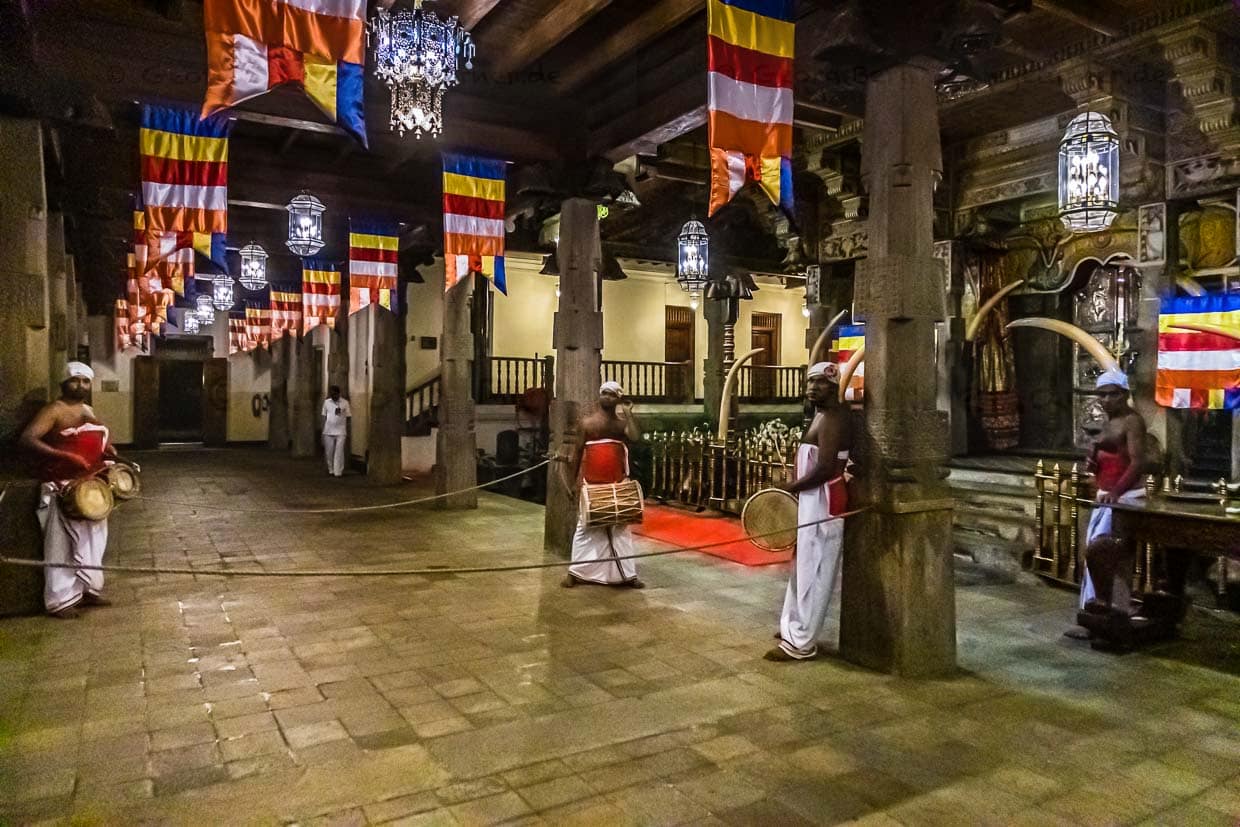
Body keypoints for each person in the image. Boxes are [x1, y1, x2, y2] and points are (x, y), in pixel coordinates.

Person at [766, 361, 853, 662]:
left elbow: (827, 467)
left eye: (819, 383)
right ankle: (792, 626)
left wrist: (791, 488)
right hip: (812, 499)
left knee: (815, 568)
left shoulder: (834, 418)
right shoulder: (822, 415)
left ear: (833, 385)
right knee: (802, 563)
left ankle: (802, 641)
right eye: (809, 382)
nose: (812, 388)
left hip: (824, 500)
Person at [19, 362, 115, 618]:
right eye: (75, 380)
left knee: (93, 541)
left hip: (89, 485)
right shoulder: (53, 410)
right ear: (64, 383)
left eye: (85, 381)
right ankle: (61, 600)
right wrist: (65, 456)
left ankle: (88, 590)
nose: (80, 385)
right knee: (60, 545)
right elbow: (28, 439)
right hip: (61, 485)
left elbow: (97, 435)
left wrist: (108, 451)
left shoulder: (86, 409)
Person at [1068, 369, 1148, 636]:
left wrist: (1116, 491)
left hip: (1124, 499)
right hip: (1106, 497)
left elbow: (1138, 462)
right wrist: (1092, 462)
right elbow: (1104, 459)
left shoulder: (1132, 421)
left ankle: (1113, 612)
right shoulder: (1107, 423)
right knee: (1097, 557)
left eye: (1112, 394)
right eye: (1101, 394)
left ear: (1124, 394)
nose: (1105, 399)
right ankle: (1098, 615)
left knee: (1106, 555)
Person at [562, 381, 645, 589]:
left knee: (621, 531)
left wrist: (629, 414)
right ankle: (576, 572)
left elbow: (636, 437)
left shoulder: (620, 424)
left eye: (612, 395)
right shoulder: (587, 423)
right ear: (599, 397)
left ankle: (628, 574)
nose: (607, 397)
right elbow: (577, 453)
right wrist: (572, 483)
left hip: (617, 485)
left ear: (618, 398)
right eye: (604, 394)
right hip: (592, 485)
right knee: (584, 529)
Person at [321, 385, 351, 477]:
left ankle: (338, 471)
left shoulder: (345, 403)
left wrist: (347, 428)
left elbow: (348, 416)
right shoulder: (326, 402)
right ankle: (331, 469)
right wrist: (324, 428)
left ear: (338, 393)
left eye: (335, 394)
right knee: (329, 452)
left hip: (341, 430)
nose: (333, 395)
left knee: (339, 451)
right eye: (331, 394)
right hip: (328, 430)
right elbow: (324, 415)